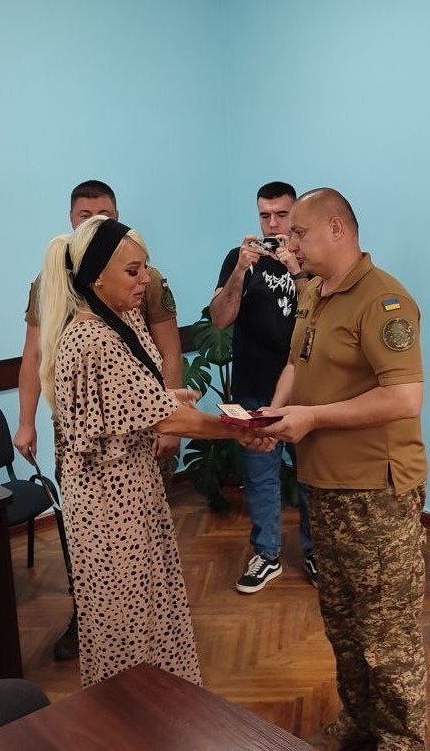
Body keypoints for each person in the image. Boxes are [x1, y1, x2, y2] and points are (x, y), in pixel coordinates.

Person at [37, 215, 273, 688]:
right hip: (108, 505)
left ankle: (162, 705)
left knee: (153, 605)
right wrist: (238, 430)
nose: (146, 279)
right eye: (133, 271)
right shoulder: (90, 338)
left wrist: (172, 398)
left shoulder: (121, 318)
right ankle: (129, 712)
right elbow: (166, 419)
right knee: (122, 623)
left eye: (145, 267)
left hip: (135, 490)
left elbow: (137, 398)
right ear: (96, 277)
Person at [260, 188, 427, 751]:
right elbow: (295, 364)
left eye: (298, 232)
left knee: (387, 633)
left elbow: (405, 397)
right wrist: (275, 415)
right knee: (344, 622)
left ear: (336, 228)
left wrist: (312, 417)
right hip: (322, 485)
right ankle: (361, 723)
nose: (289, 242)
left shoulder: (384, 301)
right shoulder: (314, 292)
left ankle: (402, 740)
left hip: (375, 493)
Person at [15, 179, 184, 662]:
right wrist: (26, 421)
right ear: (71, 220)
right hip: (81, 431)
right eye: (84, 214)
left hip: (141, 425)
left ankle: (146, 630)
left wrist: (169, 421)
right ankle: (94, 617)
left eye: (104, 214)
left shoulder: (143, 276)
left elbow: (168, 350)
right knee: (94, 538)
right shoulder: (51, 281)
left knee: (142, 537)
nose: (93, 222)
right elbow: (34, 356)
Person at [210, 181, 316, 594]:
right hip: (253, 387)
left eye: (282, 215)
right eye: (264, 215)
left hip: (305, 391)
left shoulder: (312, 259)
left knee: (310, 476)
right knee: (259, 476)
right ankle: (268, 554)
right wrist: (240, 270)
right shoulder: (238, 260)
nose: (272, 224)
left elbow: (320, 319)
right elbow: (220, 319)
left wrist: (296, 270)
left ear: (296, 215)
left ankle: (315, 552)